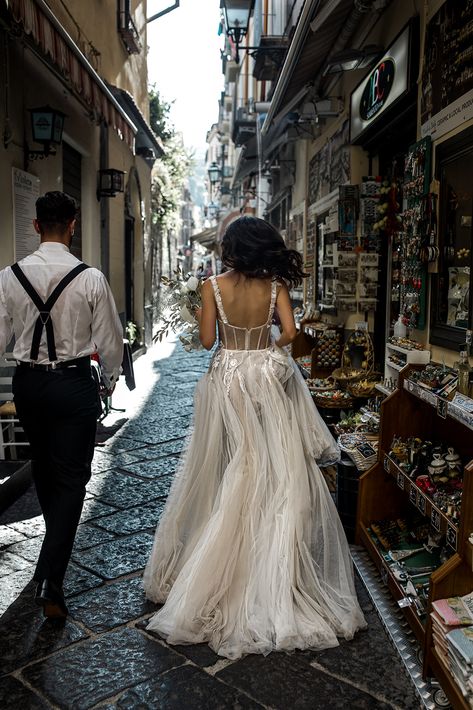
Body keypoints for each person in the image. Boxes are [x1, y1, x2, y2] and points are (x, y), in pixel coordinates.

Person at [143, 216, 366, 659]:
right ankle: (273, 564)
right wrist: (267, 352)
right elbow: (291, 334)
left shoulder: (210, 287)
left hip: (227, 379)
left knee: (230, 464)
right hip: (266, 376)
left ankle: (218, 563)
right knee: (274, 464)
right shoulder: (276, 288)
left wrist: (202, 319)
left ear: (232, 248)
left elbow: (207, 341)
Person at [0, 191, 123, 618]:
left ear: (36, 226)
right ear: (73, 223)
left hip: (29, 386)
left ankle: (49, 567)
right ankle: (52, 578)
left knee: (48, 471)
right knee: (72, 478)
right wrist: (107, 381)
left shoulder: (9, 277)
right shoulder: (91, 278)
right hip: (73, 384)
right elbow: (111, 340)